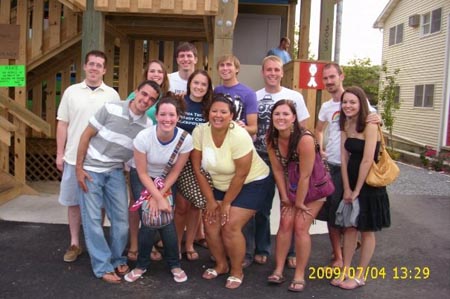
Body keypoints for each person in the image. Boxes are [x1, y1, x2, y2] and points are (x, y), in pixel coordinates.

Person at [75, 80, 161, 283]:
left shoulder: (147, 126)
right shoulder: (110, 108)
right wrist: (79, 168)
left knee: (122, 221)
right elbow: (86, 135)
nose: (146, 100)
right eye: (144, 94)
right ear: (135, 92)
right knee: (93, 221)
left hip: (115, 171)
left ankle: (117, 259)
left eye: (151, 99)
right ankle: (102, 266)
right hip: (91, 170)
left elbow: (141, 157)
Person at [191, 94, 271, 289]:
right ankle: (221, 265)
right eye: (214, 111)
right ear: (208, 113)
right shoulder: (200, 131)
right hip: (219, 183)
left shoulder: (239, 135)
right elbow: (197, 169)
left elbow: (241, 175)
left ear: (232, 115)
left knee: (229, 225)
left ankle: (237, 270)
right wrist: (210, 201)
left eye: (223, 112)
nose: (218, 115)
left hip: (252, 181)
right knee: (210, 222)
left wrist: (226, 204)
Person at [56, 50, 121, 263]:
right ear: (84, 67)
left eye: (98, 65)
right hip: (73, 158)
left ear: (104, 70)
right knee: (73, 203)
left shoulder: (112, 95)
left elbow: (115, 129)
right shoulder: (71, 92)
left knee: (99, 205)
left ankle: (96, 240)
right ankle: (75, 243)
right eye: (91, 64)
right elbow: (62, 124)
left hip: (99, 162)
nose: (94, 68)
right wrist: (59, 153)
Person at [315, 62, 378, 268]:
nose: (329, 81)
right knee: (333, 213)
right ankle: (338, 256)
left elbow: (373, 123)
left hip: (356, 167)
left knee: (353, 212)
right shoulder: (326, 107)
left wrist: (380, 121)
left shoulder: (358, 101)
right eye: (325, 78)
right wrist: (320, 149)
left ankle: (350, 250)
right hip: (333, 164)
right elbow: (319, 129)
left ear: (341, 76)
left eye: (332, 77)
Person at [125, 95, 192, 284]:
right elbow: (143, 173)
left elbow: (176, 172)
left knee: (165, 217)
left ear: (178, 117)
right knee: (149, 215)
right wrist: (155, 198)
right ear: (157, 116)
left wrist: (160, 196)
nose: (167, 119)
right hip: (143, 176)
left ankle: (173, 264)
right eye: (163, 114)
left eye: (171, 115)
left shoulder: (185, 139)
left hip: (166, 178)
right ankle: (142, 265)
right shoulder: (143, 137)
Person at [253, 55, 310, 269]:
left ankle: (291, 251)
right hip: (262, 157)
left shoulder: (294, 96)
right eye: (268, 70)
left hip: (291, 159)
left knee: (292, 205)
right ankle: (262, 248)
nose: (272, 74)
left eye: (276, 70)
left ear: (282, 72)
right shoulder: (255, 97)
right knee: (261, 207)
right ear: (263, 72)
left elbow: (303, 128)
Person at [331, 86, 390, 290]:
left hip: (368, 185)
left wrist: (356, 191)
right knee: (349, 227)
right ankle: (345, 270)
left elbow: (367, 159)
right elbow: (344, 157)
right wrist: (346, 188)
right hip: (351, 183)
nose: (348, 105)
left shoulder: (370, 125)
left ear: (361, 103)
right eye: (345, 102)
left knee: (365, 229)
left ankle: (360, 275)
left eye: (353, 102)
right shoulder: (346, 123)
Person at [266, 100, 325, 292]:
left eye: (285, 114)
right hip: (292, 186)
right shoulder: (271, 138)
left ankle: (299, 274)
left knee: (300, 228)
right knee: (284, 224)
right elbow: (277, 169)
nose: (281, 118)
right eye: (277, 114)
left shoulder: (304, 139)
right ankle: (279, 269)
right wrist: (284, 197)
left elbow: (306, 175)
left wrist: (298, 202)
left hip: (314, 187)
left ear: (293, 117)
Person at [127, 59, 170, 262]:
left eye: (159, 72)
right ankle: (136, 243)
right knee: (137, 202)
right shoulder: (136, 96)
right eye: (152, 71)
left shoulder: (166, 98)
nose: (155, 74)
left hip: (159, 161)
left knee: (155, 201)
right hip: (135, 157)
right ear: (146, 74)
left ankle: (151, 241)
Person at [174, 70, 213, 261]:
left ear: (208, 88)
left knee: (196, 204)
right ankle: (176, 243)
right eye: (196, 83)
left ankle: (189, 244)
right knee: (181, 205)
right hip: (179, 159)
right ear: (189, 84)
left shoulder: (209, 107)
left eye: (203, 84)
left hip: (199, 161)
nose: (199, 87)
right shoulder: (180, 102)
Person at [214, 54, 257, 137]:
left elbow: (253, 129)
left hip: (239, 141)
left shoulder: (249, 93)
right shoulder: (216, 91)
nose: (225, 68)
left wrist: (242, 127)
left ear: (237, 69)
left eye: (229, 65)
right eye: (222, 65)